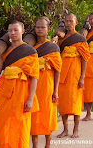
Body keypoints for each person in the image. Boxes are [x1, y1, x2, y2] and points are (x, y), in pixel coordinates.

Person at [0, 20, 39, 147]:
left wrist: (30, 99)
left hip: (22, 92)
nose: (13, 33)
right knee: (3, 124)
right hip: (5, 93)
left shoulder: (30, 51)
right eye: (10, 31)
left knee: (20, 125)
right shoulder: (3, 51)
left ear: (22, 31)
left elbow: (34, 76)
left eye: (16, 30)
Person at [56, 14, 90, 138]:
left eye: (71, 21)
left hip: (75, 74)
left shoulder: (80, 39)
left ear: (76, 22)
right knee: (64, 103)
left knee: (75, 102)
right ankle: (65, 129)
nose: (69, 23)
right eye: (67, 21)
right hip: (62, 73)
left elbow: (85, 58)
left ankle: (75, 129)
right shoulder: (61, 38)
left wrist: (82, 77)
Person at [31, 17, 62, 148]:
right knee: (34, 116)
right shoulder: (31, 47)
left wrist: (55, 90)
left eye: (43, 27)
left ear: (48, 29)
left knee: (47, 114)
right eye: (37, 27)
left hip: (47, 85)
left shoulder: (53, 47)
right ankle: (34, 145)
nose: (40, 30)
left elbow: (57, 70)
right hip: (33, 85)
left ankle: (48, 145)